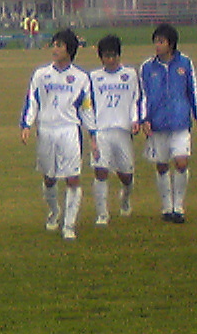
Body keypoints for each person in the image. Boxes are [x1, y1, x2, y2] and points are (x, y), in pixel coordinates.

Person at [20, 29, 95, 240]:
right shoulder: (41, 74)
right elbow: (33, 101)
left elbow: (86, 108)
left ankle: (69, 225)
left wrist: (93, 134)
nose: (55, 49)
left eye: (59, 45)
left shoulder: (81, 78)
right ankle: (54, 211)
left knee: (73, 178)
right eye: (54, 44)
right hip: (46, 130)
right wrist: (27, 125)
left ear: (69, 50)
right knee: (49, 178)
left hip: (69, 130)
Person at [138, 23, 197, 224]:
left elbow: (194, 90)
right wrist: (144, 119)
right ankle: (166, 206)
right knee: (161, 165)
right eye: (155, 41)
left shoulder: (185, 63)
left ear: (171, 43)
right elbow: (142, 95)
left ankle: (179, 206)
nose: (157, 45)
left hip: (180, 122)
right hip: (157, 123)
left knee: (181, 162)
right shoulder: (147, 67)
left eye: (161, 41)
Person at [88, 35, 141, 225]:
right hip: (102, 130)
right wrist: (92, 131)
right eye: (106, 56)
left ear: (119, 55)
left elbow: (136, 99)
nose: (110, 60)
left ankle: (125, 198)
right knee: (101, 171)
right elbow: (89, 105)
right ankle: (102, 214)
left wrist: (135, 119)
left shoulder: (130, 74)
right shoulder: (94, 77)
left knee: (126, 175)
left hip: (123, 130)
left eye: (113, 56)